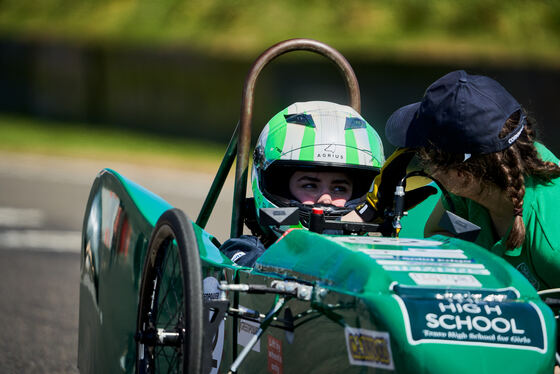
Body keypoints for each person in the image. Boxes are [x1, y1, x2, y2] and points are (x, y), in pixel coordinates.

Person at [383, 69, 560, 291]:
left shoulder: (552, 245)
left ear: (461, 173)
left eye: (424, 155)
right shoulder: (474, 187)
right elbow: (439, 233)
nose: (424, 164)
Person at [220, 100, 385, 266]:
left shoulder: (373, 255)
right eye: (310, 186)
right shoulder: (244, 252)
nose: (325, 199)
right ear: (280, 188)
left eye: (339, 188)